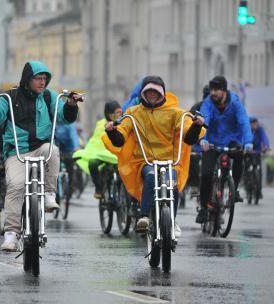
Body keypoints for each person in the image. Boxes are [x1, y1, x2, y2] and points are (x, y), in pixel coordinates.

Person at [0, 60, 81, 251]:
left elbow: (64, 117)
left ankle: (49, 195)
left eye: (44, 79)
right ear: (27, 79)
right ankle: (11, 234)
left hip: (41, 147)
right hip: (16, 151)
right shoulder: (10, 97)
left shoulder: (49, 97)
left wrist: (71, 104)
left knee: (53, 150)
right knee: (16, 186)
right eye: (38, 78)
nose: (42, 82)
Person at [103, 75, 205, 236]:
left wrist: (196, 126)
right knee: (151, 176)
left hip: (170, 161)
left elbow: (188, 136)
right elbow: (121, 136)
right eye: (148, 91)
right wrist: (112, 131)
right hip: (144, 161)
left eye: (155, 92)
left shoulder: (175, 113)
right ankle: (144, 217)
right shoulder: (133, 113)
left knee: (173, 185)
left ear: (162, 93)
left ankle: (171, 221)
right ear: (143, 93)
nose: (151, 95)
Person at [196, 76, 253, 223]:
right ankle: (203, 208)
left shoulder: (235, 103)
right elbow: (204, 119)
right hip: (212, 142)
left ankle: (235, 188)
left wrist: (248, 142)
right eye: (211, 90)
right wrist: (203, 139)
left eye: (216, 90)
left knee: (240, 155)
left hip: (232, 139)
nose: (212, 93)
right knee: (207, 174)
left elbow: (244, 122)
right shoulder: (208, 103)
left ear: (224, 90)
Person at [74, 101, 122, 199]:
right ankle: (99, 189)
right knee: (92, 163)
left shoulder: (124, 122)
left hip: (117, 154)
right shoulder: (101, 124)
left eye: (119, 112)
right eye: (115, 113)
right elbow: (95, 141)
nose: (118, 115)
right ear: (108, 114)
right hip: (100, 154)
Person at [247, 117, 270, 198]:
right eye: (253, 124)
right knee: (246, 167)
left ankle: (258, 190)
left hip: (257, 151)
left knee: (258, 170)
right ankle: (247, 183)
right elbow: (243, 139)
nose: (255, 125)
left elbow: (264, 138)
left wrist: (266, 146)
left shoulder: (260, 129)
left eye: (256, 123)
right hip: (247, 151)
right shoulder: (247, 129)